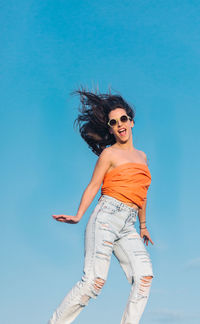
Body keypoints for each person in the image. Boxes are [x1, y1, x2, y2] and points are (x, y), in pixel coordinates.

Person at [48, 88, 154, 324]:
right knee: (94, 282)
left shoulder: (142, 157)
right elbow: (94, 185)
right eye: (114, 122)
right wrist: (78, 215)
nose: (120, 125)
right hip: (106, 217)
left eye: (123, 119)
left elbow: (142, 193)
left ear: (131, 122)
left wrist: (143, 226)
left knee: (145, 276)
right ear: (111, 129)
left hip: (128, 224)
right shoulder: (109, 154)